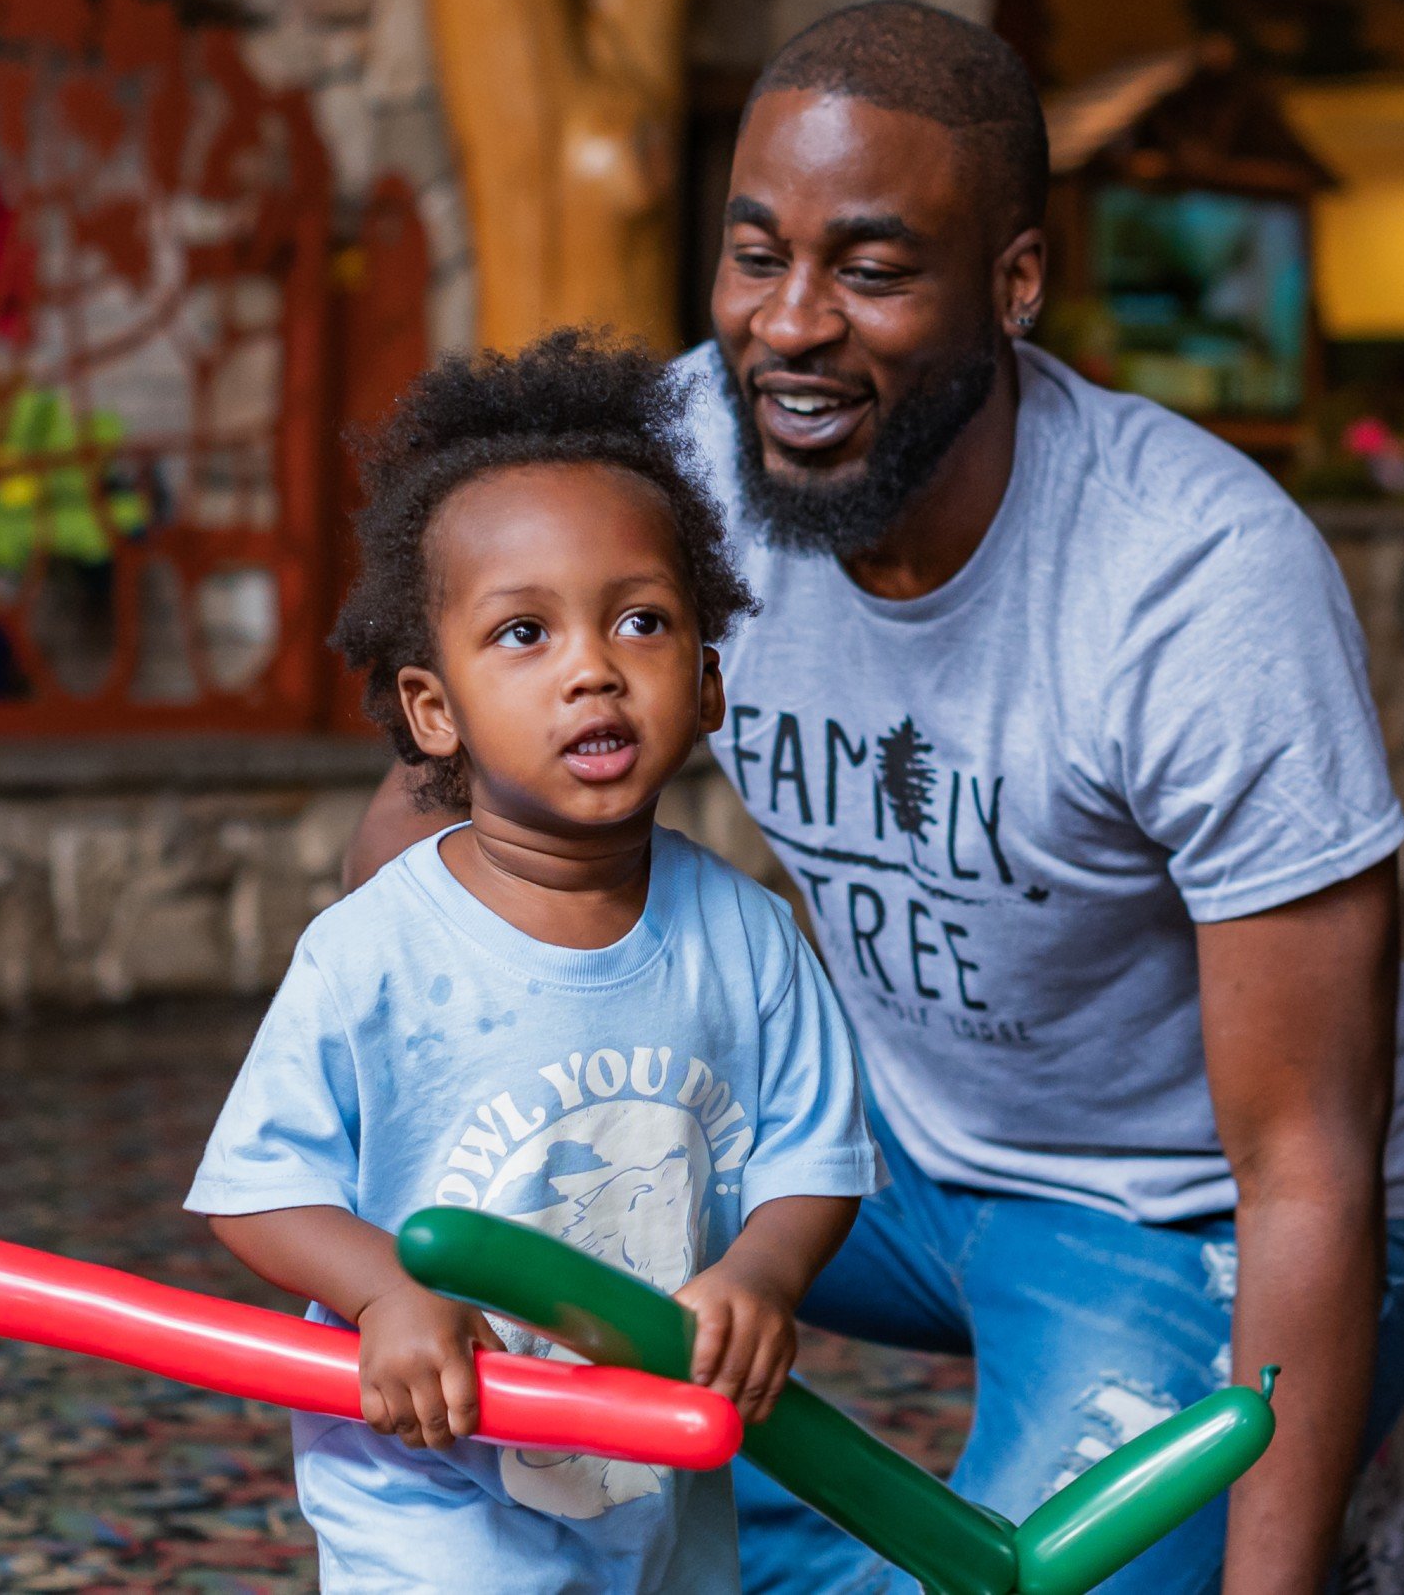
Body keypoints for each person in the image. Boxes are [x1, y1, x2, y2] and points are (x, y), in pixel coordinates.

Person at [345, 0, 1404, 1595]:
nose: (791, 325)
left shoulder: (1197, 584)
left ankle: (1305, 1498)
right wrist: (412, 1131)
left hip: (1183, 1208)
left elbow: (1305, 1163)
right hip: (879, 1134)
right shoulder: (676, 470)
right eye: (755, 257)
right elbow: (428, 815)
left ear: (1013, 285)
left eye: (870, 271)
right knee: (457, 1260)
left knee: (1030, 1574)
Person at [190, 333, 885, 1595]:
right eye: (523, 631)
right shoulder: (373, 953)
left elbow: (811, 1159)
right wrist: (381, 1290)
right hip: (434, 1482)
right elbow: (254, 1187)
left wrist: (761, 1272)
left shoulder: (752, 940)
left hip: (653, 1482)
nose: (591, 667)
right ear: (433, 710)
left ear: (710, 679)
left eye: (641, 619)